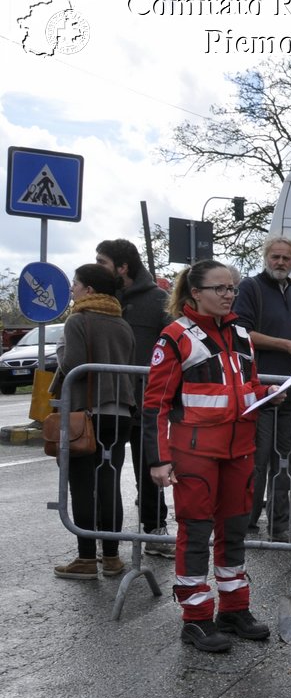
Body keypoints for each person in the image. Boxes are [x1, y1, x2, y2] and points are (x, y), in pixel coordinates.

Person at [144, 259, 270, 652]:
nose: (228, 294)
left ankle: (234, 608)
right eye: (219, 288)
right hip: (195, 453)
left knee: (234, 532)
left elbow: (246, 386)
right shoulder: (175, 336)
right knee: (196, 534)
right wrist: (158, 460)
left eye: (231, 287)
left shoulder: (242, 333)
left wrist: (265, 395)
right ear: (195, 292)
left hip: (240, 450)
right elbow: (156, 405)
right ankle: (196, 618)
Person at [51, 264, 137, 580]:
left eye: (75, 284)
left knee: (83, 487)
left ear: (89, 290)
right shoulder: (121, 323)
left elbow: (74, 366)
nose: (72, 289)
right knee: (109, 485)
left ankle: (87, 559)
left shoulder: (79, 320)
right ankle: (112, 558)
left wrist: (60, 351)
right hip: (121, 415)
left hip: (86, 415)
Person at [234, 235, 291, 538]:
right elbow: (241, 333)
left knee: (285, 461)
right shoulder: (250, 287)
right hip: (262, 388)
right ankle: (247, 525)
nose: (280, 262)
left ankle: (280, 528)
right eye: (275, 257)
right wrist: (287, 345)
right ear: (265, 258)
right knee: (258, 459)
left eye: (286, 258)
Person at [94, 238, 172, 555]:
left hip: (144, 402)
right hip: (107, 403)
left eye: (102, 262)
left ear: (122, 267)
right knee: (105, 471)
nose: (97, 266)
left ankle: (155, 532)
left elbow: (172, 346)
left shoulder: (158, 300)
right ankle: (104, 538)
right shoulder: (101, 299)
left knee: (149, 470)